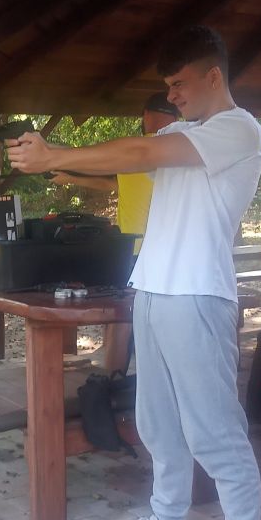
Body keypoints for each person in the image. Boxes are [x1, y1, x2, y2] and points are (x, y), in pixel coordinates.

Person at [8, 26, 261, 520]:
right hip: (152, 290)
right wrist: (61, 165)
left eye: (179, 83)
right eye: (167, 86)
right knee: (156, 422)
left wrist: (54, 155)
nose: (172, 95)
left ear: (213, 76)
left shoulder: (239, 129)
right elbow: (129, 159)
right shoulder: (179, 133)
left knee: (215, 434)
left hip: (197, 294)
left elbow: (143, 153)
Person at [52, 94, 182, 372]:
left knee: (122, 320)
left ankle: (111, 383)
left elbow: (101, 166)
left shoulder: (139, 151)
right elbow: (115, 184)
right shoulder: (173, 152)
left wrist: (56, 159)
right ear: (176, 117)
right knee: (154, 322)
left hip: (135, 252)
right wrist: (70, 176)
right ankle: (145, 383)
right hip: (159, 253)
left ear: (145, 115)